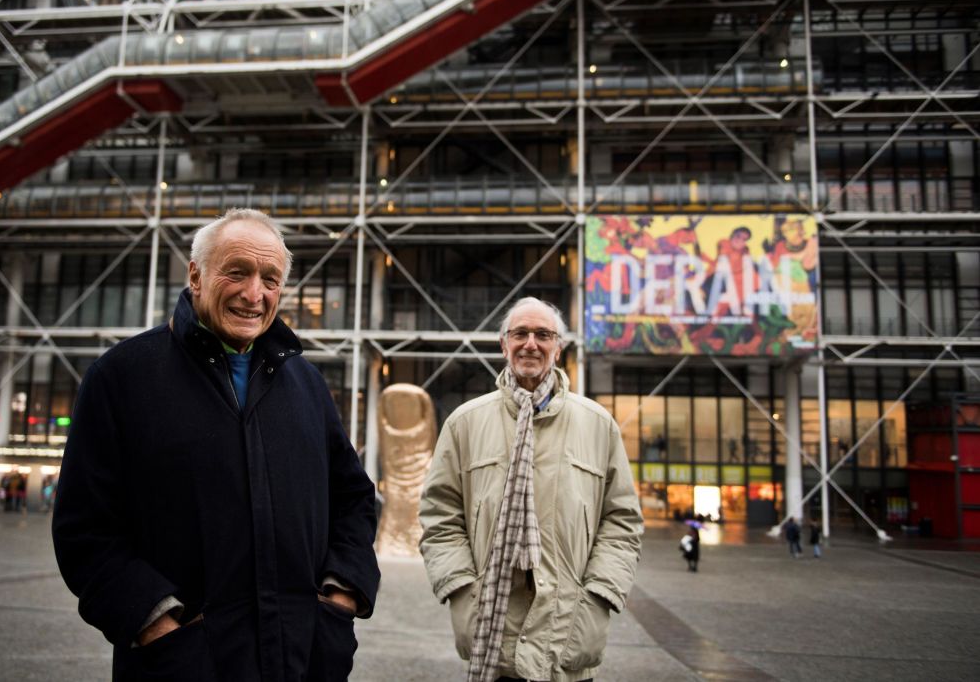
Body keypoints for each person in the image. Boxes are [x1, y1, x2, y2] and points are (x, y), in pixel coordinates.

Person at [52, 208, 380, 681]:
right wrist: (158, 626)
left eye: (271, 279)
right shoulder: (121, 377)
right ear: (196, 276)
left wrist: (340, 599)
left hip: (303, 661)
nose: (254, 294)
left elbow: (353, 499)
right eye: (238, 272)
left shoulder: (305, 384)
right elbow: (85, 532)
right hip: (180, 666)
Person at [419, 297, 644, 682]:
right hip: (491, 634)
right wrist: (462, 591)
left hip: (568, 635)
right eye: (520, 333)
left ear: (559, 347)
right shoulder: (465, 423)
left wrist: (599, 596)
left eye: (543, 334)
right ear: (503, 344)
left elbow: (622, 522)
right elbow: (440, 517)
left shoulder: (598, 425)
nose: (531, 344)